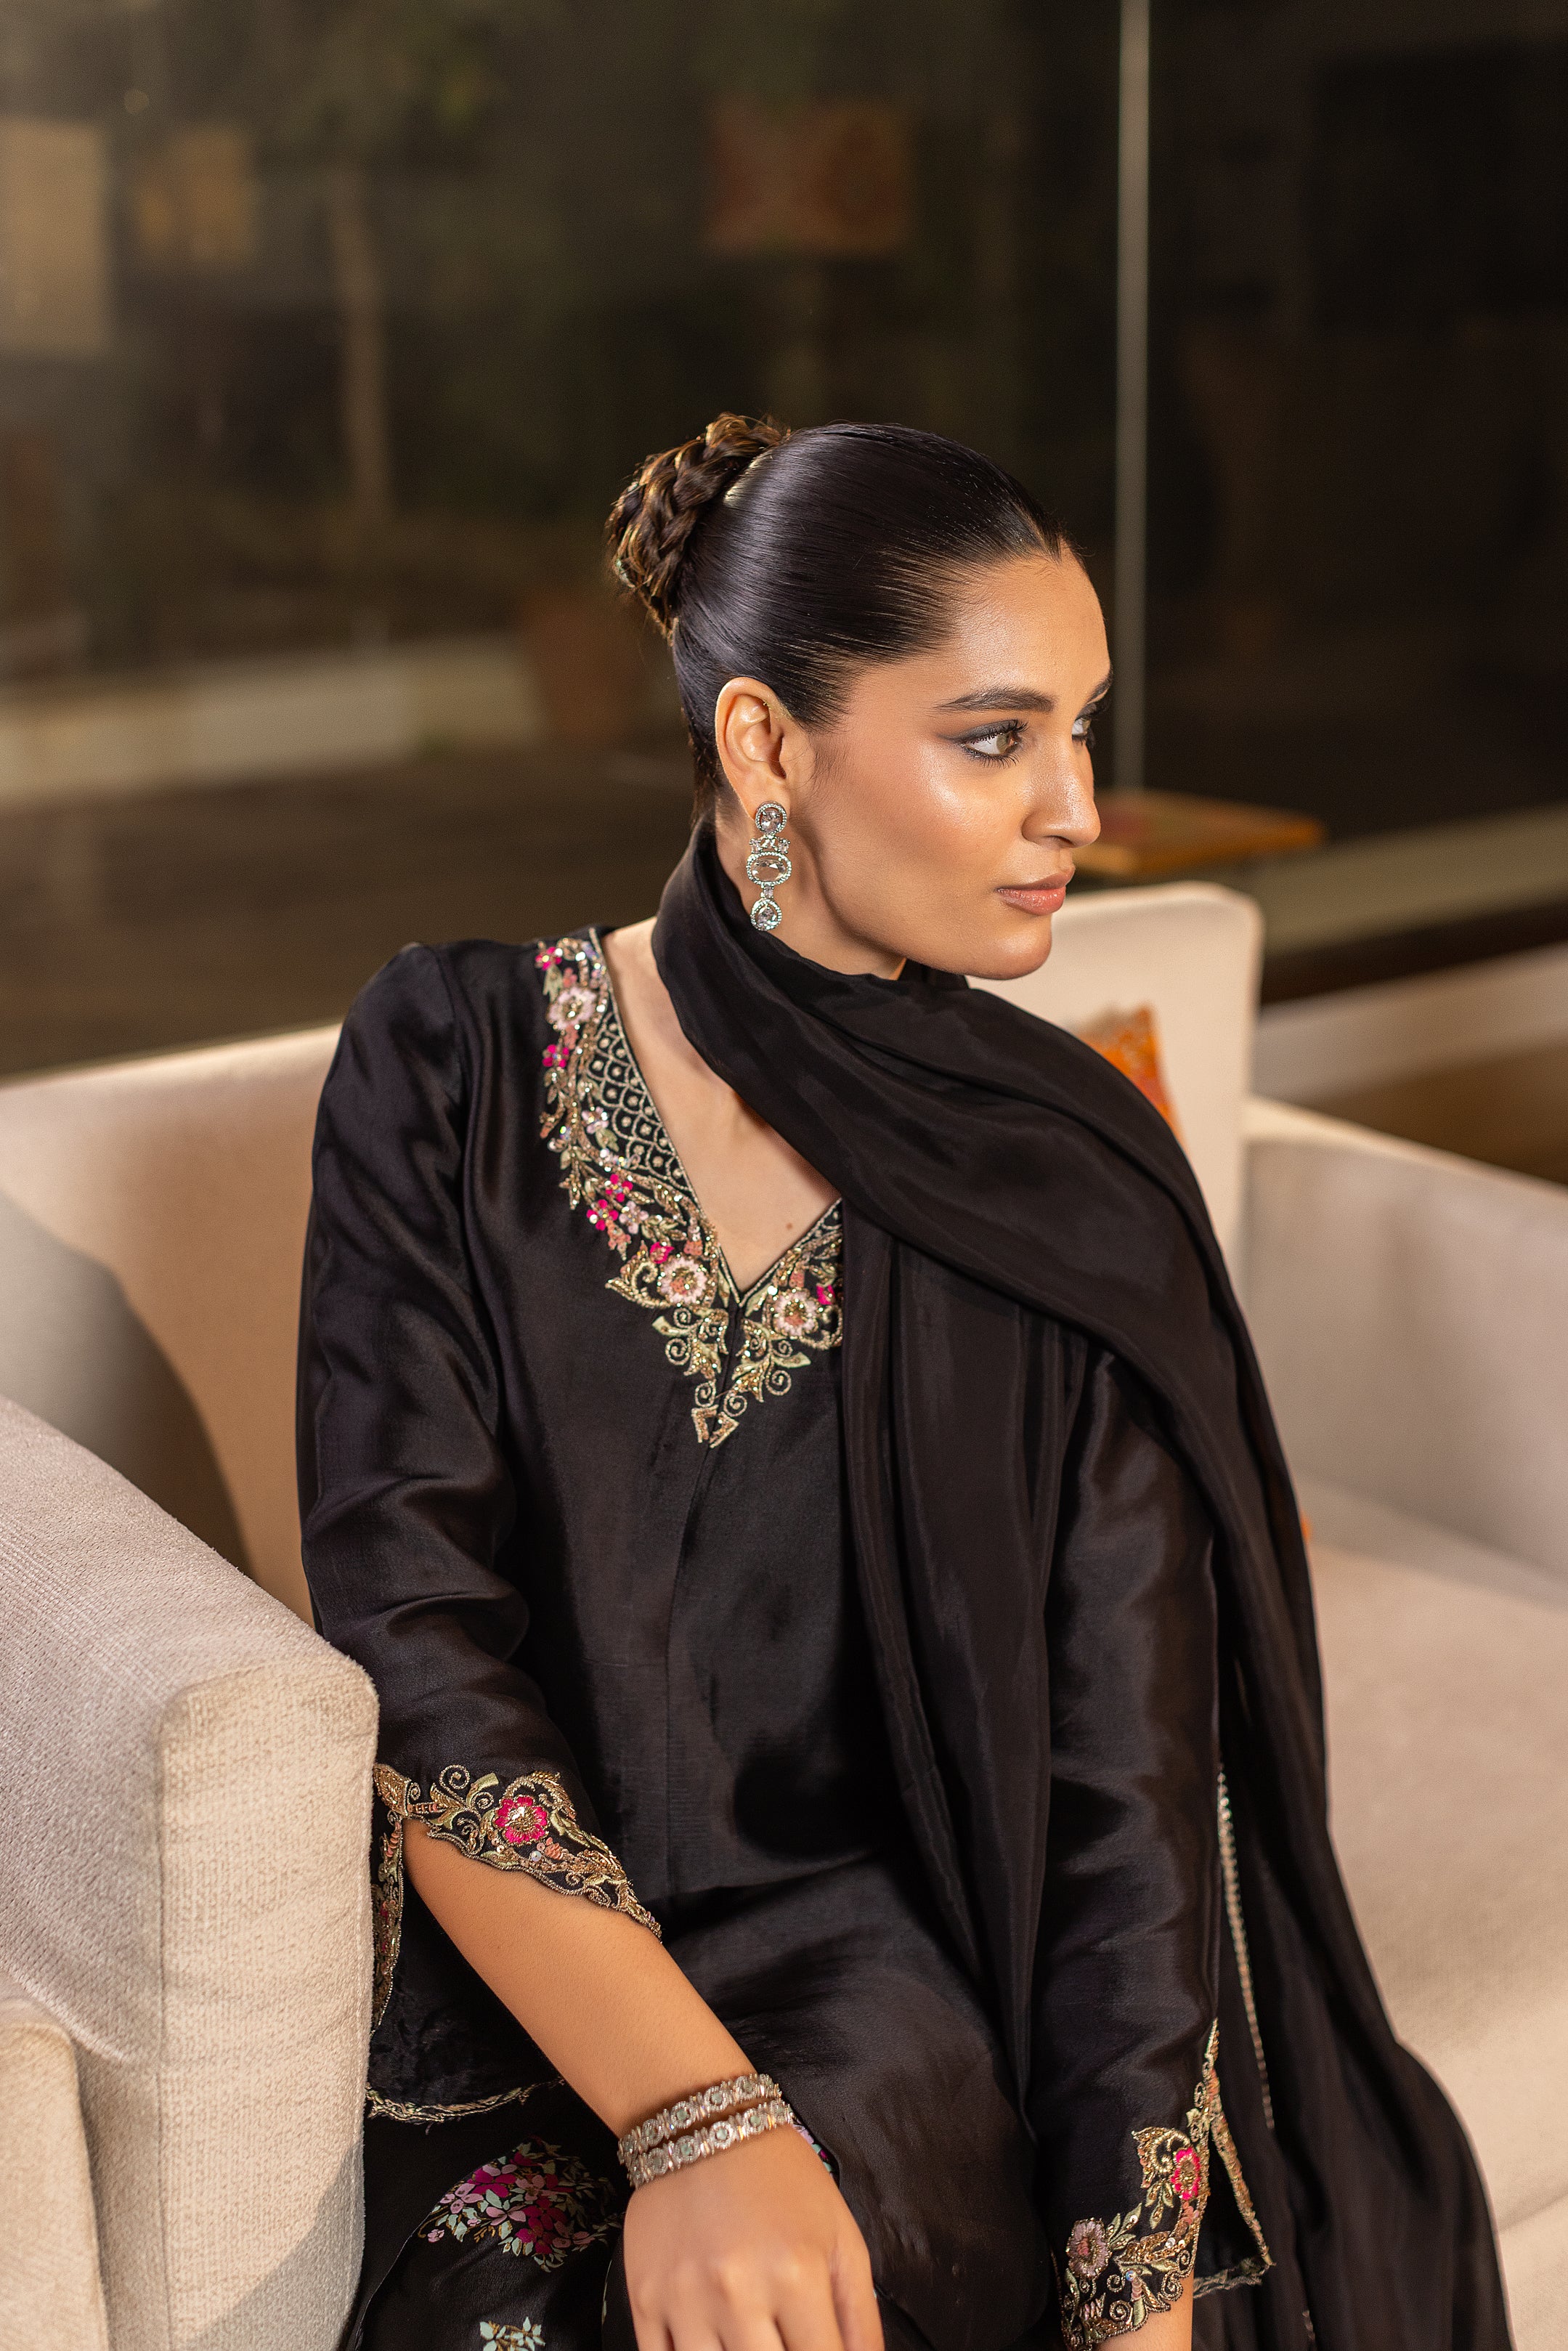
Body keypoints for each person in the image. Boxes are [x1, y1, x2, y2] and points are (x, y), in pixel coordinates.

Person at [298, 415, 1511, 2351]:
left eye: (1081, 733)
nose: (1077, 810)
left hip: (911, 1981)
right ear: (767, 744)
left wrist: (1137, 2305)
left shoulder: (1064, 1184)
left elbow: (1123, 1806)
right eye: (995, 738)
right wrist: (692, 2119)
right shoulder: (451, 1070)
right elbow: (416, 1641)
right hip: (546, 1997)